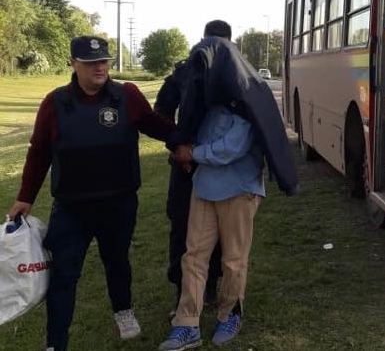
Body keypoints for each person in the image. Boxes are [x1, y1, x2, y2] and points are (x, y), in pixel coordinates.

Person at [7, 35, 178, 351]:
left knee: (117, 262)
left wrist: (185, 142)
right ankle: (56, 343)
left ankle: (123, 310)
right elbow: (39, 152)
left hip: (119, 203)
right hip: (72, 209)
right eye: (90, 62)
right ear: (74, 64)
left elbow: (157, 126)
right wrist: (25, 197)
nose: (100, 67)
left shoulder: (127, 96)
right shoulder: (55, 103)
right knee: (64, 276)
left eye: (104, 61)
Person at [158, 35, 297, 350]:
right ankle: (186, 323)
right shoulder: (205, 96)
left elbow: (231, 148)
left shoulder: (248, 96)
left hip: (238, 189)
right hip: (205, 188)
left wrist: (191, 154)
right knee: (193, 257)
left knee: (234, 259)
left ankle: (229, 313)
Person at [154, 20, 230, 312]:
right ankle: (182, 291)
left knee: (220, 229)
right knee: (182, 227)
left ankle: (210, 284)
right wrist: (177, 146)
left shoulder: (235, 74)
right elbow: (161, 112)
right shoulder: (183, 72)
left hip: (220, 164)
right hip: (185, 166)